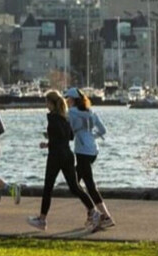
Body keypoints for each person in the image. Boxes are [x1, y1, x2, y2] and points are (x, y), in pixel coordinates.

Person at [27, 90, 101, 232]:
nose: (46, 105)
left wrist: (50, 141)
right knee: (74, 187)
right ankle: (93, 211)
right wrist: (49, 143)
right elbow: (70, 137)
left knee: (48, 187)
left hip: (56, 156)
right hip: (67, 154)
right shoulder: (65, 117)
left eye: (47, 102)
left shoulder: (53, 118)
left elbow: (59, 137)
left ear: (51, 103)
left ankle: (42, 220)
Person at [65, 87, 114, 228]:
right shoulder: (91, 112)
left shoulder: (71, 113)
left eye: (68, 99)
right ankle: (92, 214)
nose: (66, 101)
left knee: (86, 185)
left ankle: (104, 216)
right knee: (76, 184)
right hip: (93, 150)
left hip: (82, 151)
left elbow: (68, 131)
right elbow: (103, 130)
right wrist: (91, 135)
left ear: (73, 100)